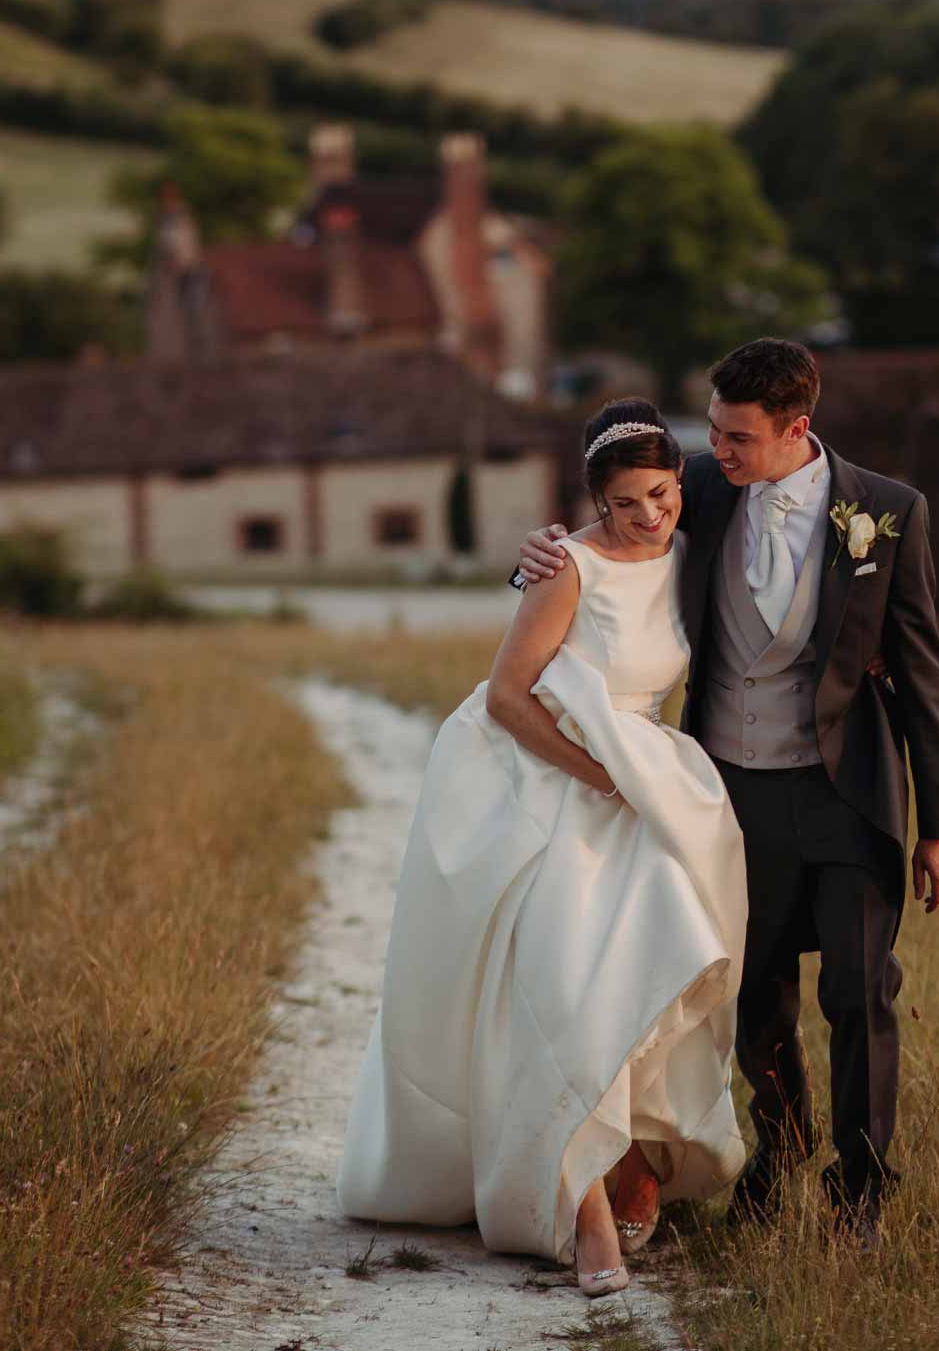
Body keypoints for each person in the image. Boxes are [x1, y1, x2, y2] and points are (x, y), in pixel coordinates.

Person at [515, 338, 939, 1239]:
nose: (710, 450)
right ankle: (780, 1147)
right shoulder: (694, 488)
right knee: (751, 988)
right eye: (711, 430)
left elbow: (922, 676)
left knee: (860, 990)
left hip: (849, 792)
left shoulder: (888, 512)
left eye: (734, 437)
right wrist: (535, 557)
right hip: (726, 793)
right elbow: (608, 538)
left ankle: (863, 1192)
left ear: (796, 428)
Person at [336, 400, 747, 1299]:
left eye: (663, 493)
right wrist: (596, 774)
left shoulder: (694, 543)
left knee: (671, 953)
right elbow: (505, 696)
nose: (650, 514)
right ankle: (585, 1206)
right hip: (552, 781)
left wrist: (633, 782)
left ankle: (640, 1150)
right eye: (628, 501)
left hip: (654, 785)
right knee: (560, 984)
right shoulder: (569, 568)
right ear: (595, 500)